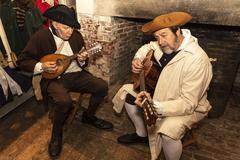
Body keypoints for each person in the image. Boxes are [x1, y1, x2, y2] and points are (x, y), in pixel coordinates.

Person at [113, 12, 212, 160]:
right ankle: (141, 134)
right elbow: (147, 47)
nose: (160, 42)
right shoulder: (162, 44)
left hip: (188, 106)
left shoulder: (197, 60)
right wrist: (138, 60)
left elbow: (188, 103)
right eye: (157, 37)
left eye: (164, 35)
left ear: (177, 31)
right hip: (160, 92)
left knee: (168, 133)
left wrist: (154, 106)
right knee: (127, 95)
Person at [17, 4, 113, 158]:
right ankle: (56, 135)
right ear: (54, 24)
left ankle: (88, 117)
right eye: (66, 27)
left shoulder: (75, 36)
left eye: (72, 28)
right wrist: (41, 66)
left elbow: (82, 61)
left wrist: (82, 60)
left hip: (75, 74)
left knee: (101, 86)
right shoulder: (41, 37)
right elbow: (22, 61)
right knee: (64, 101)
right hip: (54, 78)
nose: (70, 31)